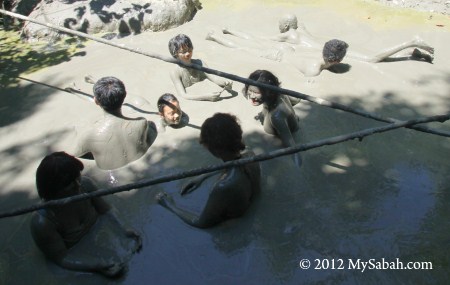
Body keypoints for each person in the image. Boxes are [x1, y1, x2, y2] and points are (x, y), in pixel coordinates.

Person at [30, 152, 142, 278]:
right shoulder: (43, 222)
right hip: (76, 254)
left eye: (77, 178)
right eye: (69, 184)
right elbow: (61, 258)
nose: (78, 186)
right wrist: (96, 265)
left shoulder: (86, 185)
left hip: (99, 235)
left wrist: (123, 230)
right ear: (52, 190)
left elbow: (106, 211)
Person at [156, 113, 261, 228]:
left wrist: (169, 204)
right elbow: (233, 165)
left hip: (234, 222)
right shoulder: (251, 155)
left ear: (214, 150)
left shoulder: (223, 187)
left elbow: (201, 222)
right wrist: (202, 176)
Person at [73, 76, 157, 170]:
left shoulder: (87, 136)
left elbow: (73, 155)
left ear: (96, 101)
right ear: (125, 96)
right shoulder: (142, 123)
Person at [243, 70, 302, 167]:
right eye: (250, 90)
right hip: (286, 115)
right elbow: (297, 99)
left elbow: (290, 142)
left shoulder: (276, 116)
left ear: (269, 92)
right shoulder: (279, 92)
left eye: (256, 92)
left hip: (282, 123)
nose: (252, 96)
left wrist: (297, 159)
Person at [168, 34, 233, 101]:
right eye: (183, 52)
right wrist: (206, 97)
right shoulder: (175, 72)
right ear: (175, 54)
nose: (187, 54)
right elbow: (183, 95)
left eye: (189, 50)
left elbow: (213, 78)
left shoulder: (200, 63)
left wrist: (224, 83)